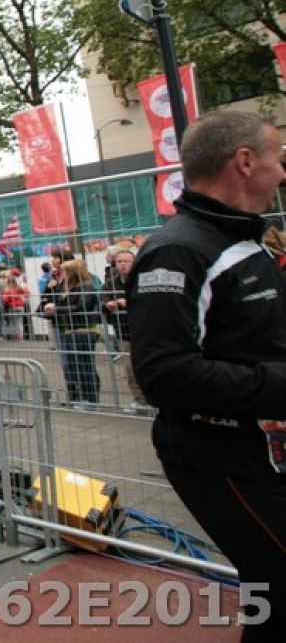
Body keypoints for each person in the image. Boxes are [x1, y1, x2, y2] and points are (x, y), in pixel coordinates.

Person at [128, 112, 286, 640]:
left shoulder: (250, 240)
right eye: (279, 159)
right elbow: (163, 373)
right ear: (245, 161)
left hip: (264, 450)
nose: (283, 173)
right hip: (219, 455)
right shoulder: (179, 249)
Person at [42, 260, 102, 410]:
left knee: (85, 365)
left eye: (64, 271)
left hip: (84, 329)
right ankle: (84, 397)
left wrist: (57, 309)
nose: (62, 274)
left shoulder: (86, 287)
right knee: (77, 365)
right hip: (70, 329)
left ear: (72, 272)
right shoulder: (68, 287)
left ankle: (92, 400)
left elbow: (82, 306)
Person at [101, 248, 148, 413]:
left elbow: (150, 302)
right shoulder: (111, 282)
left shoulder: (143, 279)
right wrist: (108, 305)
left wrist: (129, 303)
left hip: (145, 331)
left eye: (126, 261)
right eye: (119, 261)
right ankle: (139, 401)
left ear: (134, 262)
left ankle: (156, 399)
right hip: (123, 332)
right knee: (130, 369)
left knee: (149, 366)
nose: (122, 264)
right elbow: (102, 301)